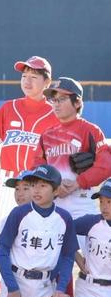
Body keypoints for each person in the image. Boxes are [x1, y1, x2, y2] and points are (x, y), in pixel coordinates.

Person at [0, 165, 78, 297]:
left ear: (56, 191)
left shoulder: (64, 218)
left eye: (43, 186)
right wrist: (12, 287)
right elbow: (2, 251)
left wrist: (60, 289)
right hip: (18, 282)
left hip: (45, 286)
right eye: (34, 185)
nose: (36, 190)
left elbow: (68, 256)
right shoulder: (19, 213)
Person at [0, 56, 57, 232]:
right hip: (7, 182)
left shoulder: (55, 114)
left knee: (35, 233)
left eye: (34, 77)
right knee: (0, 233)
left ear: (47, 82)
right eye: (24, 76)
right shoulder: (8, 108)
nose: (27, 81)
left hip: (38, 182)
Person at [34, 76, 111, 224]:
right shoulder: (46, 135)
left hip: (82, 205)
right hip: (52, 205)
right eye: (53, 100)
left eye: (62, 99)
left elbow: (106, 166)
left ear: (77, 102)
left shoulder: (91, 131)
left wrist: (78, 182)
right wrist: (54, 184)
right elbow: (36, 168)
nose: (56, 104)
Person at [72, 180, 111, 297]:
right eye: (101, 201)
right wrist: (77, 256)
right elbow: (63, 229)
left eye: (109, 202)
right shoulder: (92, 222)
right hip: (89, 288)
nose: (104, 207)